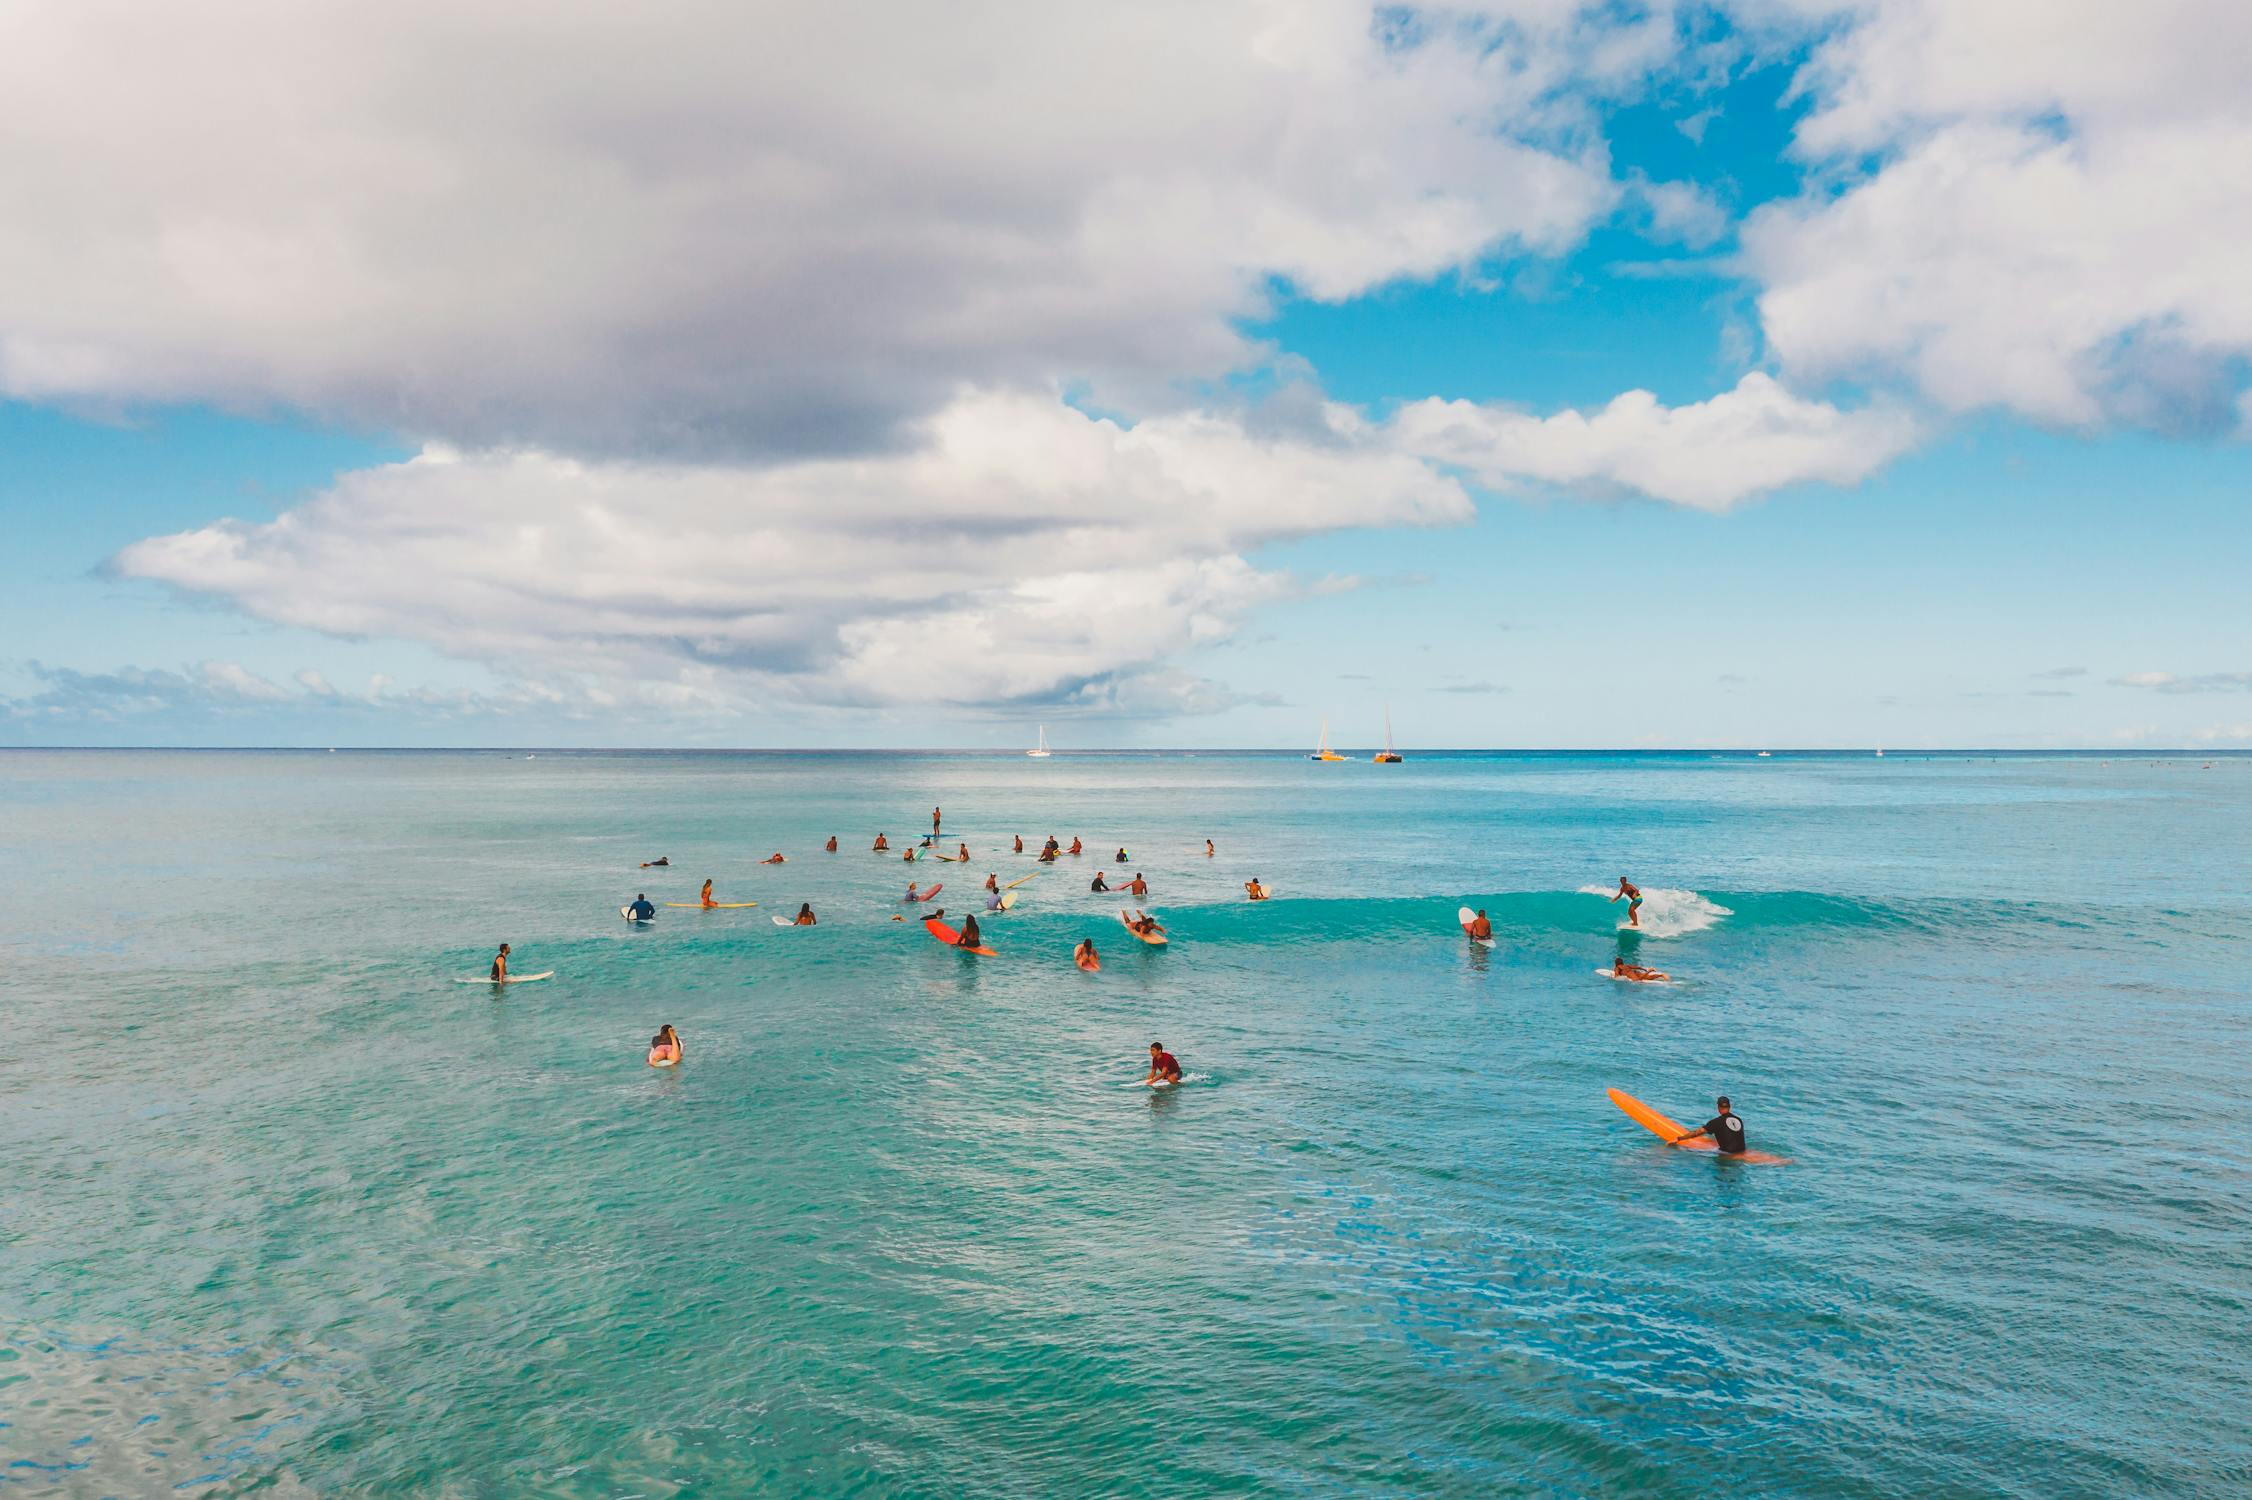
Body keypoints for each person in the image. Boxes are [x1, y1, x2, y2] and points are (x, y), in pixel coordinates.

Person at [1674, 1096, 1746, 1156]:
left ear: (1718, 1107)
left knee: (1689, 1150)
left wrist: (1679, 1138)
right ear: (1729, 1107)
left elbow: (1697, 1133)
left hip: (1727, 1154)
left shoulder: (1716, 1122)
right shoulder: (1738, 1120)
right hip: (1742, 1151)